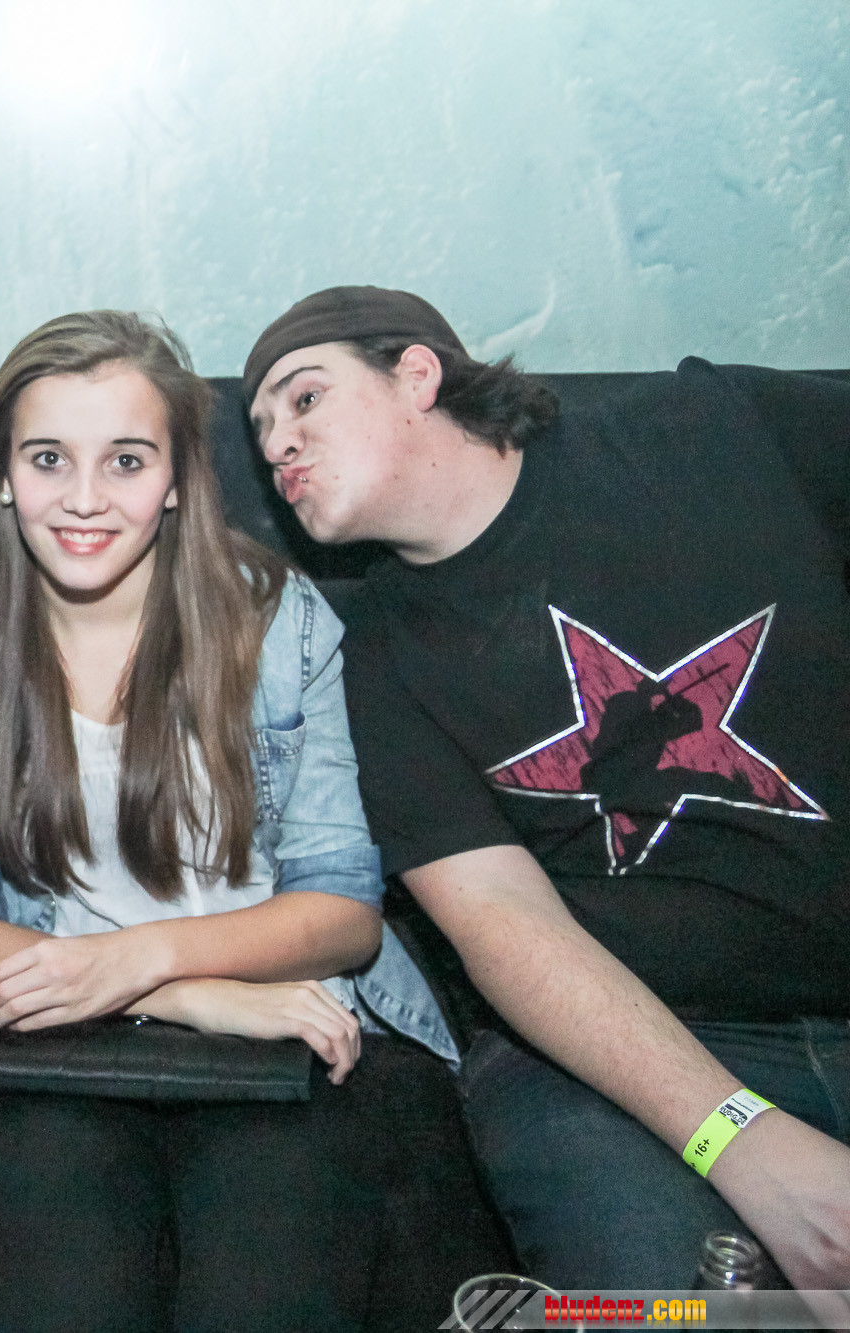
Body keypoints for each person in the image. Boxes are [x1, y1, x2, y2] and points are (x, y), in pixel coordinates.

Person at [244, 285, 850, 1291]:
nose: (277, 443)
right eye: (261, 429)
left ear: (417, 374)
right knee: (663, 1302)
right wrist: (739, 1139)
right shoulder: (372, 659)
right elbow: (501, 920)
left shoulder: (713, 430)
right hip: (625, 1061)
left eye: (303, 398)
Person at [0, 310, 503, 1332]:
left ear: (178, 480)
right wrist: (185, 992)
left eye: (127, 460)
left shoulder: (278, 623)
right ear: (3, 476)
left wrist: (140, 960)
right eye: (48, 458)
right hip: (57, 1047)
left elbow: (342, 914)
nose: (86, 497)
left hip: (285, 1029)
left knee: (260, 1294)